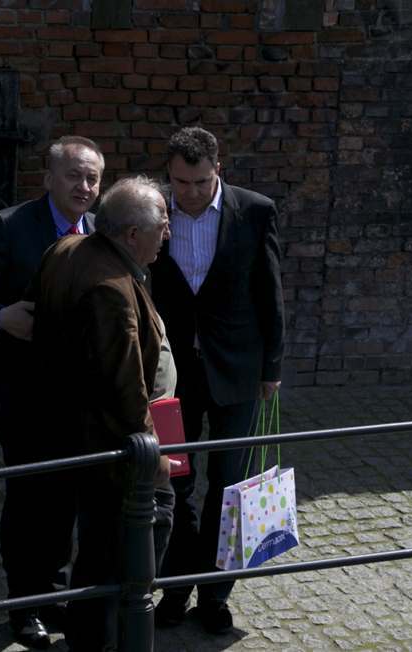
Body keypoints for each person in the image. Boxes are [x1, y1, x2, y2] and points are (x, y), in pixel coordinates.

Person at [0, 135, 105, 650]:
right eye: (74, 176)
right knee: (29, 498)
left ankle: (53, 594)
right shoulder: (10, 226)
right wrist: (1, 316)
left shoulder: (99, 231)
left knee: (66, 495)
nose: (84, 186)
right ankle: (24, 606)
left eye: (93, 179)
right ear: (49, 178)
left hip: (81, 393)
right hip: (24, 390)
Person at [26, 176, 173, 651]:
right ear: (132, 234)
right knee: (124, 544)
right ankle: (108, 640)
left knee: (96, 545)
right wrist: (153, 454)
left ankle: (91, 633)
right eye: (161, 225)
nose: (167, 233)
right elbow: (124, 385)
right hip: (110, 445)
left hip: (68, 427)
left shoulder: (66, 249)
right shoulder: (112, 287)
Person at [149, 126, 285, 634]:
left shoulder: (255, 211)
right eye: (181, 182)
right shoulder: (151, 213)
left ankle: (214, 594)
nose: (190, 192)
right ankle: (174, 589)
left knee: (228, 487)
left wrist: (272, 369)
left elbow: (270, 292)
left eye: (201, 182)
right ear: (169, 175)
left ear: (218, 171)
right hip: (171, 378)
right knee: (174, 484)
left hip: (238, 372)